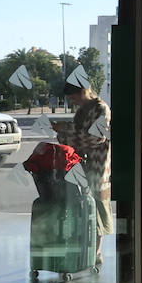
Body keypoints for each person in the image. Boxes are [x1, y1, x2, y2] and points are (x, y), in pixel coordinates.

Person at [51, 82, 113, 258]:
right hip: (81, 164)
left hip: (97, 165)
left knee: (98, 208)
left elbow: (97, 137)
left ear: (84, 92)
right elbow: (76, 138)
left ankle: (96, 252)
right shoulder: (84, 110)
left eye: (74, 96)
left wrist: (66, 129)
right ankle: (85, 250)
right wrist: (63, 131)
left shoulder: (100, 108)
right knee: (82, 207)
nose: (72, 100)